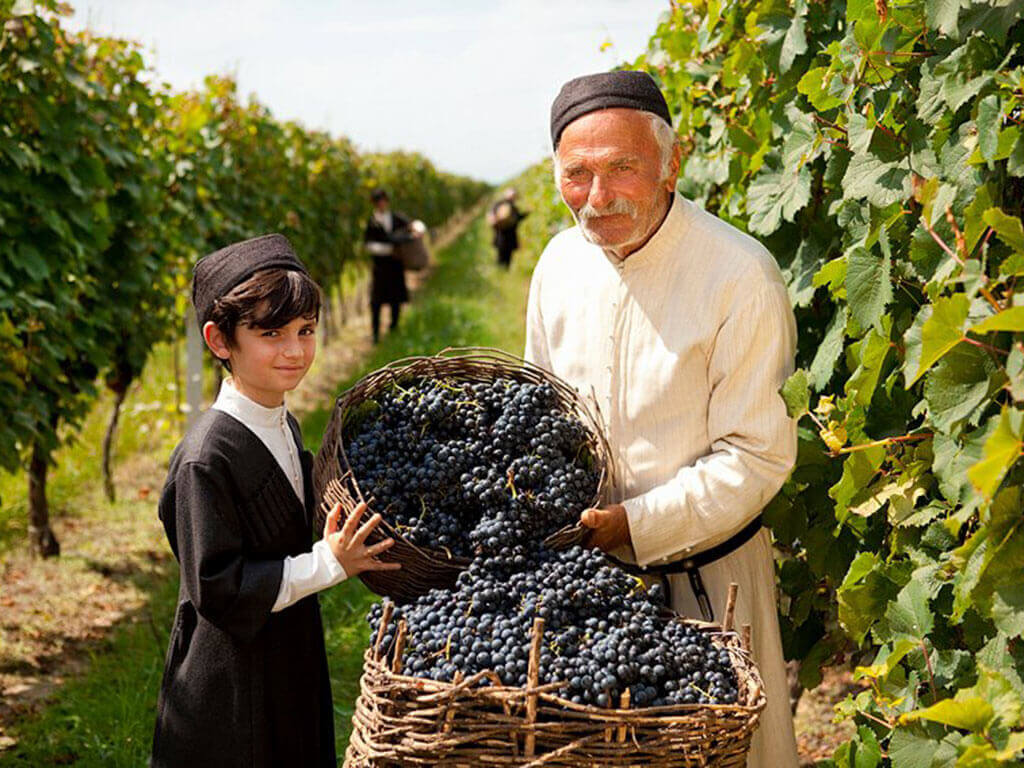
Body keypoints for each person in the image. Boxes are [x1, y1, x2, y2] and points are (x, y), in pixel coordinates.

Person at [525, 71, 800, 768]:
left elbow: (756, 456)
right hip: (586, 584)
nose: (596, 197)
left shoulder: (739, 275)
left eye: (623, 168)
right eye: (576, 174)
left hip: (710, 588)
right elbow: (539, 416)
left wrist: (637, 525)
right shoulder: (558, 265)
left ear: (672, 162)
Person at [151, 234, 400, 767]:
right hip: (230, 688)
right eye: (271, 333)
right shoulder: (206, 460)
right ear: (220, 340)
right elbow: (219, 589)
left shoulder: (282, 423)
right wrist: (330, 562)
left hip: (285, 654)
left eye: (306, 330)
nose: (295, 350)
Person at [364, 188, 410, 343]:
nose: (381, 204)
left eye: (383, 200)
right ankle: (375, 333)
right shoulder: (372, 221)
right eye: (378, 201)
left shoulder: (397, 218)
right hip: (380, 267)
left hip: (395, 265)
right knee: (376, 300)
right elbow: (368, 244)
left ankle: (394, 328)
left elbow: (413, 226)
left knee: (395, 298)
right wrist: (386, 249)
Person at [487, 187, 527, 269]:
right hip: (505, 234)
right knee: (504, 255)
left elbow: (517, 218)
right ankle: (502, 271)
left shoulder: (502, 204)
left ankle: (501, 271)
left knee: (504, 254)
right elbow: (518, 218)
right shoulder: (508, 206)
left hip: (503, 234)